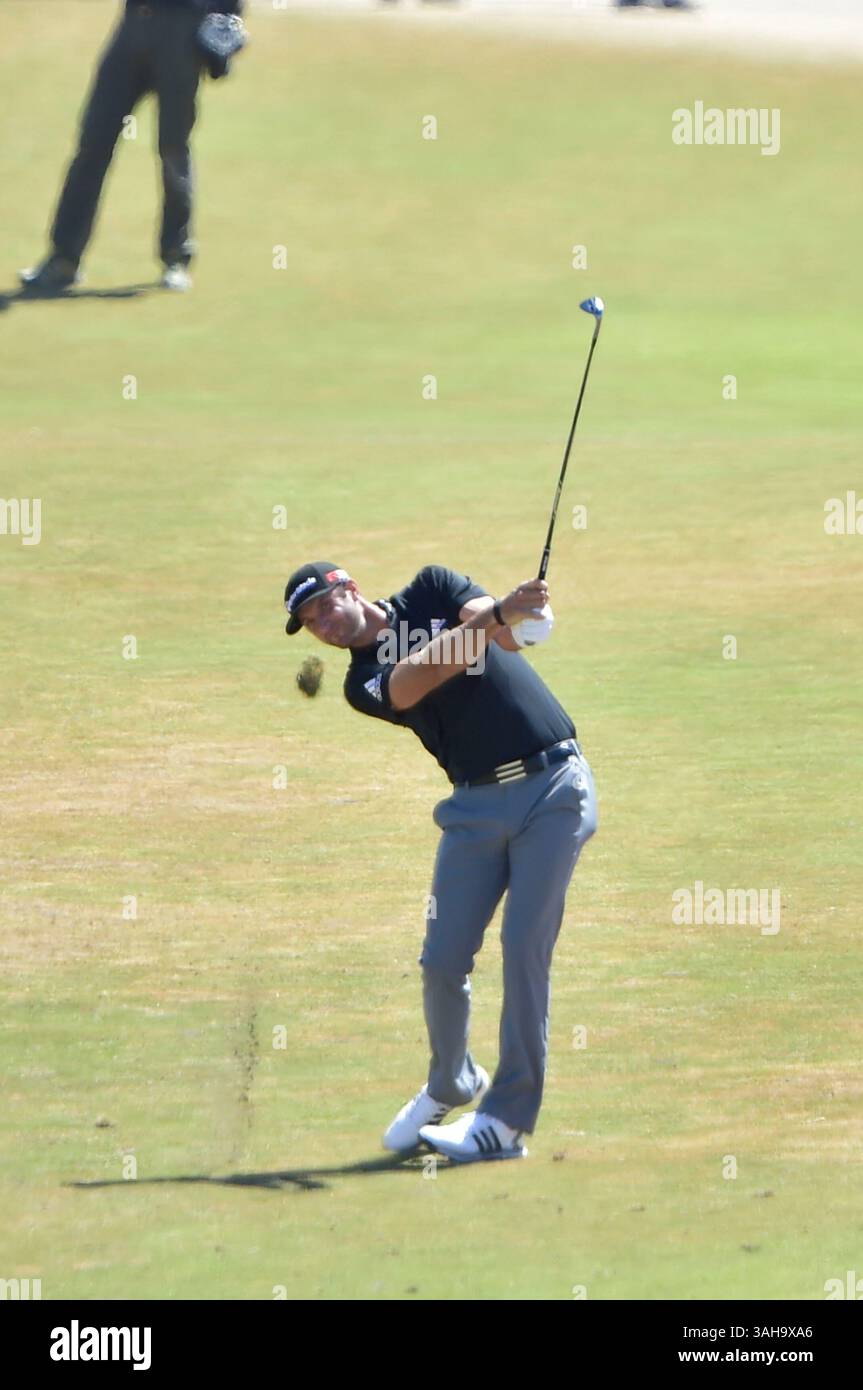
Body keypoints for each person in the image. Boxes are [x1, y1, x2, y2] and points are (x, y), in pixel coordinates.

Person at [283, 560, 598, 1163]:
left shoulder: (432, 587)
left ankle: (504, 1123)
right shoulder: (363, 681)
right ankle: (451, 1080)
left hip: (555, 784)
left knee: (523, 946)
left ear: (349, 587)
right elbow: (413, 680)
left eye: (324, 607)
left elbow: (503, 636)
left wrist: (524, 620)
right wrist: (500, 616)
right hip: (473, 808)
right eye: (309, 622)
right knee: (442, 959)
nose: (322, 625)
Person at [19, 0, 245, 296]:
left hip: (183, 31)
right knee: (93, 144)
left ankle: (176, 258)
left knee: (173, 150)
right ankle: (63, 260)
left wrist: (227, 16)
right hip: (134, 24)